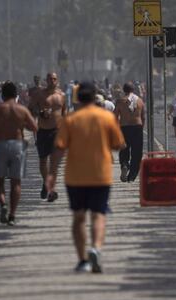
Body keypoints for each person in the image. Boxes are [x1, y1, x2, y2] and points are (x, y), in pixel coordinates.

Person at [47, 82, 125, 273]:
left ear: (78, 99)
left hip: (75, 176)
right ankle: (96, 248)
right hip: (101, 175)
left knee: (78, 217)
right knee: (98, 215)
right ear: (94, 97)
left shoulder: (70, 119)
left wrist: (52, 174)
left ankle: (83, 260)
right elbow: (119, 144)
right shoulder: (107, 117)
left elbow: (59, 148)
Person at [0, 81, 38, 226]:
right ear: (16, 94)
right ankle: (12, 214)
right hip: (18, 146)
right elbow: (34, 127)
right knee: (16, 182)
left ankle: (3, 204)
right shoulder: (22, 110)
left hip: (0, 145)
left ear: (3, 95)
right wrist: (21, 124)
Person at [29, 72, 66, 201]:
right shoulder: (39, 94)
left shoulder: (62, 95)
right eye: (50, 79)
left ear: (57, 80)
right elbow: (30, 109)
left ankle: (51, 189)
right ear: (46, 80)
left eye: (54, 79)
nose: (52, 81)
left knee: (54, 162)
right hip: (43, 131)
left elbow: (64, 113)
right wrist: (40, 113)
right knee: (43, 160)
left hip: (57, 131)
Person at [114, 82, 145, 182]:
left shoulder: (120, 101)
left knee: (124, 149)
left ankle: (124, 164)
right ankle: (132, 176)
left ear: (124, 90)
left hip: (124, 127)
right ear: (134, 90)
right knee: (136, 152)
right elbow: (143, 116)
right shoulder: (140, 101)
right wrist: (141, 127)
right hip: (137, 127)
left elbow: (114, 116)